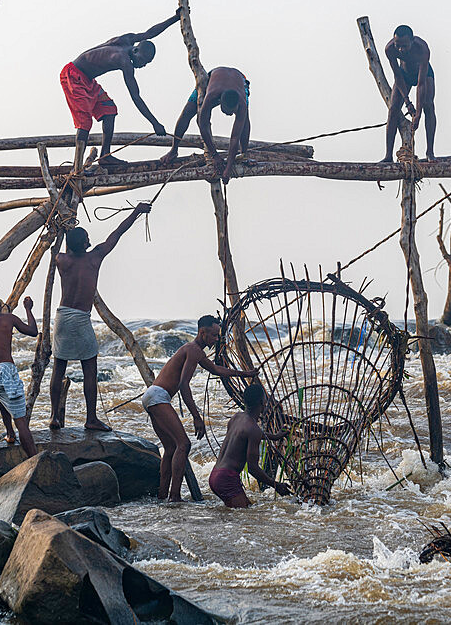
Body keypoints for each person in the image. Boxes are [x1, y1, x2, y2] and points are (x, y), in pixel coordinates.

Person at [49, 203, 151, 431]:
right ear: (85, 244)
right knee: (90, 368)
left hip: (63, 316)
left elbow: (67, 242)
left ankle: (55, 416)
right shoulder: (94, 258)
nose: (89, 241)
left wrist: (67, 231)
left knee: (59, 367)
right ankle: (91, 418)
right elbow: (117, 234)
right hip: (81, 318)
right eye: (86, 238)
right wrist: (136, 212)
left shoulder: (61, 260)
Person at [140, 315, 257, 502]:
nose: (216, 339)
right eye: (213, 335)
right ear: (202, 333)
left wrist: (244, 374)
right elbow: (183, 385)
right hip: (158, 396)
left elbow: (217, 370)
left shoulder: (195, 351)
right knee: (183, 444)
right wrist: (197, 417)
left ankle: (163, 496)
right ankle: (175, 497)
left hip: (153, 395)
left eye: (217, 336)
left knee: (170, 448)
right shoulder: (193, 349)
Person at [60, 9, 182, 171]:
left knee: (109, 110)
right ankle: (77, 168)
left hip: (88, 80)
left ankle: (105, 156)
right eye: (143, 61)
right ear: (136, 51)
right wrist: (155, 124)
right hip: (74, 76)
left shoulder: (128, 40)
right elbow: (136, 97)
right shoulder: (124, 61)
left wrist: (175, 18)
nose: (142, 66)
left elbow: (150, 33)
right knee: (84, 122)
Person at [160, 67, 250, 183]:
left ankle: (244, 155)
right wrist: (215, 155)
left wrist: (228, 167)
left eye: (233, 111)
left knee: (245, 122)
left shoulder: (241, 103)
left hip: (240, 79)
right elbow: (202, 124)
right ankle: (173, 150)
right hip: (214, 76)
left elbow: (234, 137)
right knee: (187, 112)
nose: (229, 114)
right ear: (219, 102)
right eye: (227, 111)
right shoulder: (211, 96)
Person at [0, 293, 38, 458]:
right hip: (4, 370)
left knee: (1, 394)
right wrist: (28, 309)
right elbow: (33, 331)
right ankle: (35, 459)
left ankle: (9, 434)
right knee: (21, 420)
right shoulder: (9, 319)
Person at [209, 383, 291, 508]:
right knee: (244, 520)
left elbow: (245, 435)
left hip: (215, 475)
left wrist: (275, 436)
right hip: (227, 479)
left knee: (244, 513)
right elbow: (253, 468)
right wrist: (276, 485)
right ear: (261, 403)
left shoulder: (236, 418)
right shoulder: (253, 429)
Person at [381, 24, 437, 162]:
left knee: (428, 105)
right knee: (393, 109)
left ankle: (430, 152)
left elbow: (421, 83)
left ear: (412, 41)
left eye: (404, 46)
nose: (401, 49)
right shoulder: (390, 50)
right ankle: (388, 156)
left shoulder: (422, 49)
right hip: (404, 75)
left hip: (423, 75)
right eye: (398, 45)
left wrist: (417, 114)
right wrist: (407, 102)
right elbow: (398, 77)